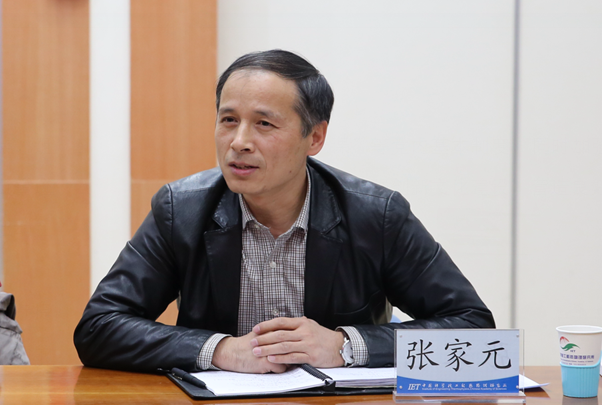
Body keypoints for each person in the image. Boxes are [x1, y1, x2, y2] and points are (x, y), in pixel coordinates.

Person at [74, 49, 495, 373]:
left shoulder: (377, 216)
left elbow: (473, 328)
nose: (239, 142)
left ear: (315, 137)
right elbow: (99, 327)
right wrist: (220, 350)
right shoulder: (180, 210)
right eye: (228, 120)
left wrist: (345, 346)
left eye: (264, 124)